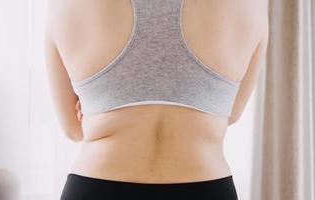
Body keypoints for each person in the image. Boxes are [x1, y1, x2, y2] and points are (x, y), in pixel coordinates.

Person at [45, 0, 267, 199]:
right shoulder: (252, 5)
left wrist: (105, 103)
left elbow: (73, 130)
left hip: (95, 186)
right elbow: (230, 113)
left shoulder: (63, 4)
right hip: (205, 185)